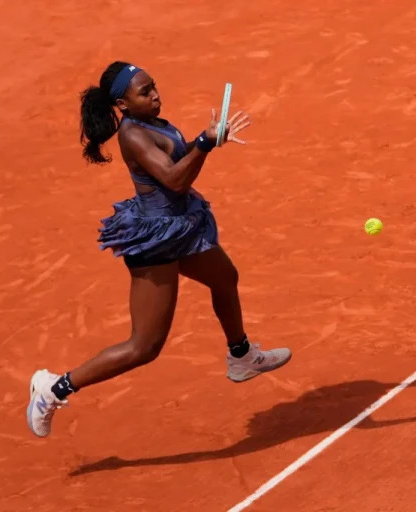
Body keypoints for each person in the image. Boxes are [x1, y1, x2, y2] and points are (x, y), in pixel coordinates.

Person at [26, 61, 292, 438]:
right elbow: (174, 179)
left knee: (224, 277)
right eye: (145, 92)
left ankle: (241, 356)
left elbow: (178, 167)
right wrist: (204, 144)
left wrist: (207, 140)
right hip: (157, 243)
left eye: (154, 87)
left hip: (181, 228)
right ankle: (53, 389)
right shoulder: (133, 135)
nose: (155, 95)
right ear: (122, 103)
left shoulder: (155, 123)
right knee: (144, 346)